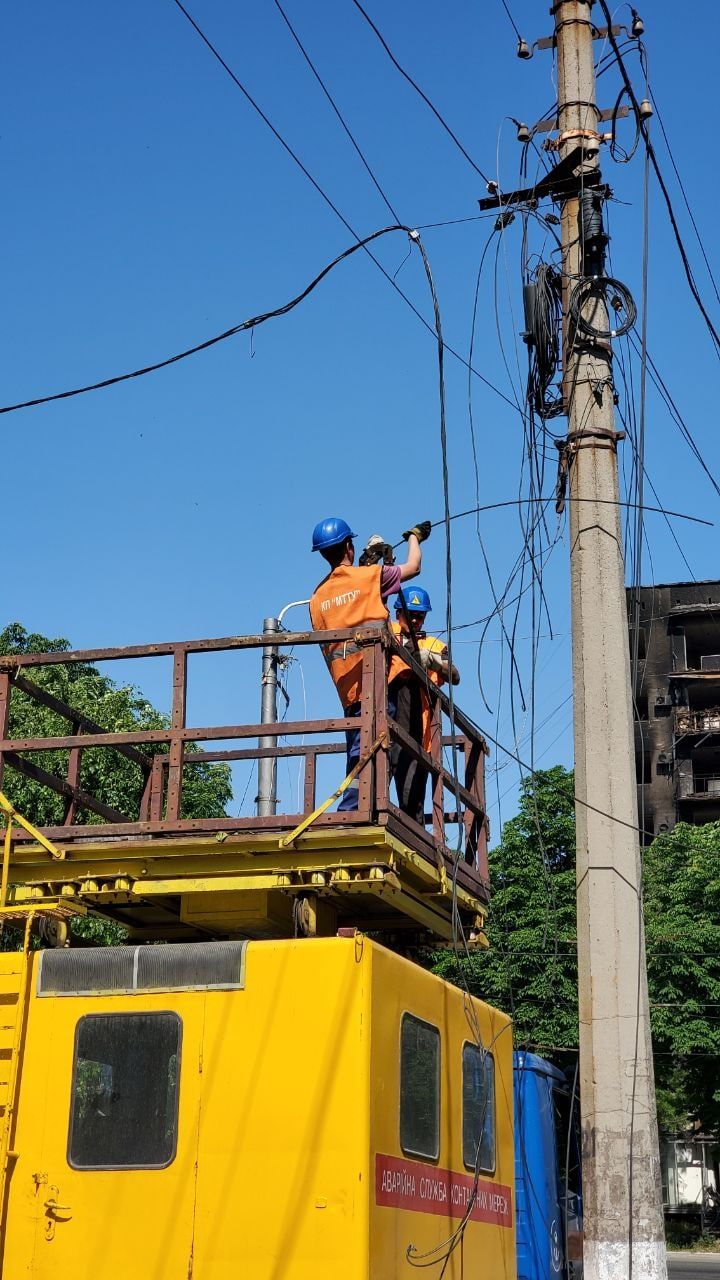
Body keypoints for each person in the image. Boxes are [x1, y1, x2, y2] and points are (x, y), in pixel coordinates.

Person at [309, 516, 431, 811]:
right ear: (348, 547)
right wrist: (414, 537)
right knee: (370, 749)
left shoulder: (316, 598)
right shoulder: (369, 578)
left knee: (359, 745)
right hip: (377, 683)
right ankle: (352, 811)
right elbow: (414, 567)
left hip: (347, 688)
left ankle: (360, 807)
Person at [388, 586, 460, 826]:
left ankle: (412, 838)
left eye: (420, 616)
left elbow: (455, 676)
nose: (415, 620)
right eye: (410, 614)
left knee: (412, 795)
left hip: (418, 730)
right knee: (374, 782)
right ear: (398, 612)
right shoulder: (386, 631)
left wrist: (435, 663)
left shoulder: (434, 645)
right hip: (385, 720)